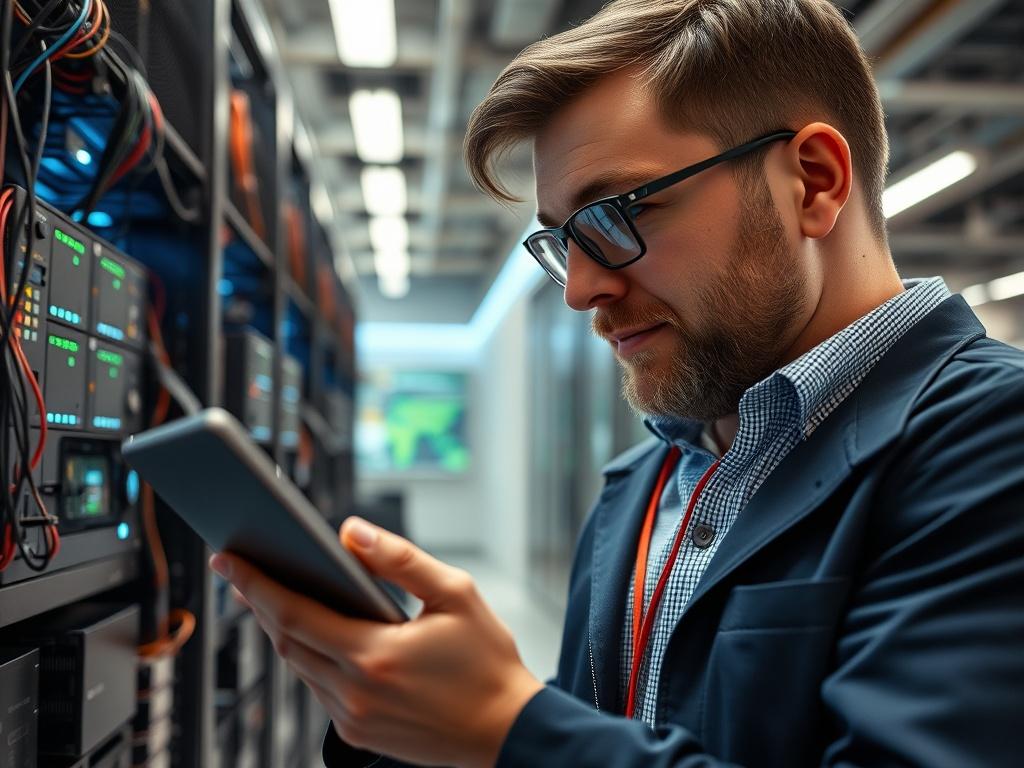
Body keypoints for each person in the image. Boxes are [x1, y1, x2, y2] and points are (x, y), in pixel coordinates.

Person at [211, 1, 1024, 765]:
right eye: (564, 241)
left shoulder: (992, 443)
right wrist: (405, 720)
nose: (579, 290)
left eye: (616, 217)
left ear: (812, 180)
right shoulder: (643, 487)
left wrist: (508, 729)